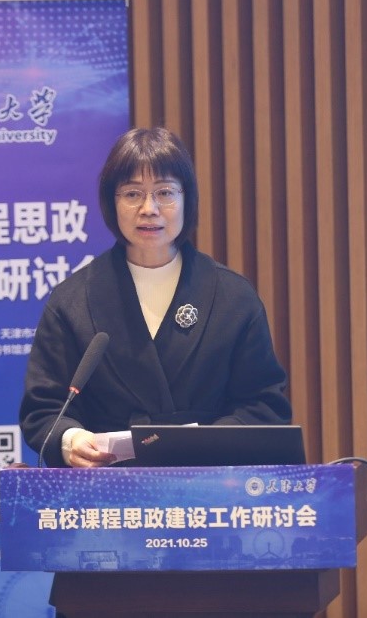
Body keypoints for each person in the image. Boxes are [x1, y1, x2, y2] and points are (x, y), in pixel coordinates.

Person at [19, 127, 291, 468]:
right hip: (109, 487)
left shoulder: (234, 297)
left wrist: (209, 444)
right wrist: (70, 440)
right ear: (112, 202)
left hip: (210, 483)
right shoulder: (72, 301)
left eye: (164, 192)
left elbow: (264, 405)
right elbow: (45, 410)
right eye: (133, 194)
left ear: (187, 199)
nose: (149, 209)